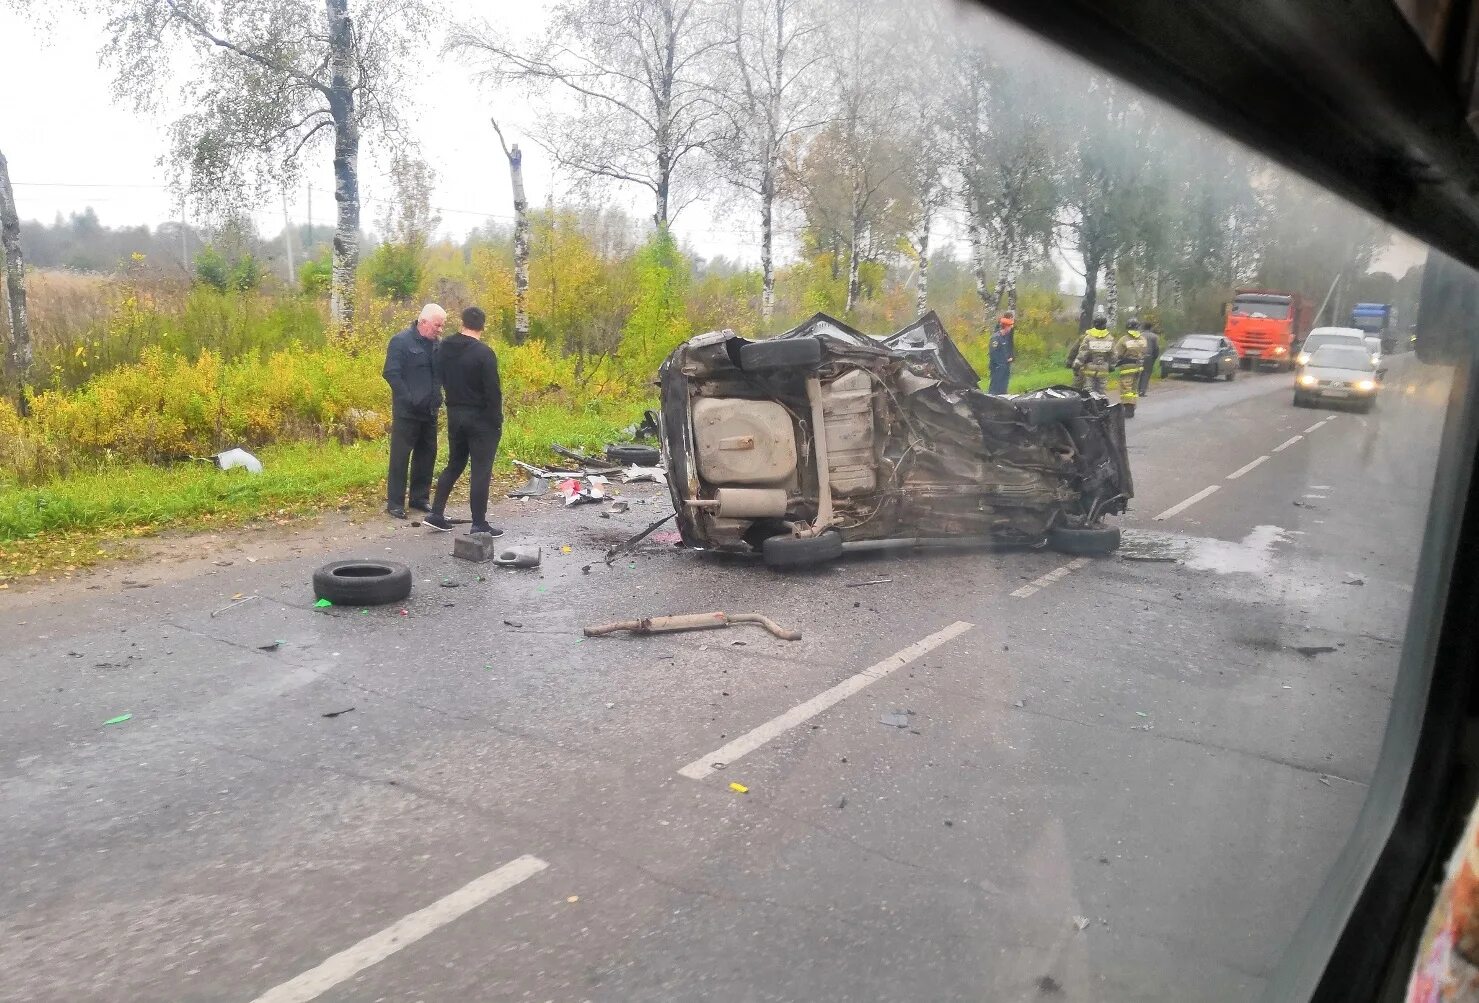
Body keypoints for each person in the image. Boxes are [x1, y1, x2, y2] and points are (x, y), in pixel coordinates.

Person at [424, 306, 504, 537]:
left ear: (462, 323)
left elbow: (438, 377)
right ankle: (479, 523)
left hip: (455, 413)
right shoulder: (484, 353)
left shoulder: (444, 347)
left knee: (455, 463)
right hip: (481, 419)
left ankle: (436, 513)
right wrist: (496, 419)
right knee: (481, 470)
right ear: (482, 326)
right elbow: (493, 391)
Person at [382, 303, 446, 518]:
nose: (440, 329)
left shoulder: (438, 345)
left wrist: (440, 397)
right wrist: (407, 398)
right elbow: (391, 373)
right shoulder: (401, 341)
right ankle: (395, 503)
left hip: (430, 411)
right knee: (400, 457)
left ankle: (419, 498)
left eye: (442, 326)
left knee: (427, 455)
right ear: (424, 322)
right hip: (407, 412)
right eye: (437, 325)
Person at [1068, 313, 1116, 393]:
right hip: (1103, 369)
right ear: (1105, 324)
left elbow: (1082, 354)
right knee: (1102, 392)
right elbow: (1114, 355)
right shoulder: (1110, 338)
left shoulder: (1088, 337)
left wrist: (1076, 366)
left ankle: (1091, 404)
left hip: (1089, 369)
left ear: (1094, 324)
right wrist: (1111, 366)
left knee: (1089, 391)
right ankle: (1101, 404)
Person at [1115, 318, 1149, 417]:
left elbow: (1117, 353)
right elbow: (1144, 351)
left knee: (1126, 388)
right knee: (1134, 389)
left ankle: (1128, 410)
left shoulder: (1124, 339)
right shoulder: (1143, 339)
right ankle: (1133, 407)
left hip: (1127, 367)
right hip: (1139, 367)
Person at [987, 311, 1015, 394]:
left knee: (1003, 387)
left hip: (1005, 367)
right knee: (995, 389)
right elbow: (993, 354)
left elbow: (1007, 349)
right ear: (1005, 327)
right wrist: (1002, 363)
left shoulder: (1005, 337)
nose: (1011, 327)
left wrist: (1009, 358)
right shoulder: (995, 338)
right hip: (997, 367)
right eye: (1010, 326)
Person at [1139, 321, 1161, 397]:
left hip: (1138, 356)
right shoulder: (1154, 336)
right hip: (1149, 357)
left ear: (1143, 327)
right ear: (1151, 328)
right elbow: (1156, 348)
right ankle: (1142, 391)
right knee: (1146, 373)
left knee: (1137, 373)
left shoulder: (1139, 335)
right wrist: (1155, 357)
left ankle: (1134, 390)